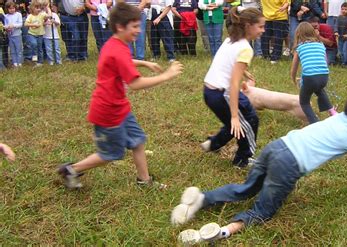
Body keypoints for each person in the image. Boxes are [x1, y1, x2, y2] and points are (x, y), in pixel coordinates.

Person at [170, 92, 347, 245]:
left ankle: (202, 198)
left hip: (277, 146)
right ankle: (221, 232)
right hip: (289, 165)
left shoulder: (340, 120)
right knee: (263, 211)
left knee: (247, 188)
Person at [57, 2, 184, 189]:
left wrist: (143, 63)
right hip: (108, 112)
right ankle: (71, 169)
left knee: (138, 141)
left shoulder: (117, 43)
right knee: (111, 154)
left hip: (120, 107)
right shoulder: (117, 49)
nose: (139, 31)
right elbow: (135, 83)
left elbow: (123, 61)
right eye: (134, 27)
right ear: (120, 27)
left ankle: (144, 181)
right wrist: (166, 75)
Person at [199, 7, 264, 168]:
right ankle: (243, 159)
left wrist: (244, 71)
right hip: (222, 94)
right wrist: (235, 116)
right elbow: (234, 84)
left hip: (210, 91)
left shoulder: (231, 39)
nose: (263, 30)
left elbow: (227, 63)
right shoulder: (246, 48)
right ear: (248, 25)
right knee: (246, 122)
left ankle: (212, 144)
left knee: (238, 120)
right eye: (261, 26)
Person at [290, 22, 337, 124]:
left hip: (310, 78)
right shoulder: (320, 45)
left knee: (304, 102)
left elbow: (294, 67)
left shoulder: (300, 47)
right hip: (324, 76)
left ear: (298, 34)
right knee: (319, 90)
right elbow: (325, 62)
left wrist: (293, 79)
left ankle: (315, 123)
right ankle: (332, 112)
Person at [24, 2, 50, 67]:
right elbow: (26, 24)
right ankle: (34, 56)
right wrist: (33, 25)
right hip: (32, 34)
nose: (38, 9)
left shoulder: (41, 14)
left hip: (40, 34)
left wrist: (48, 8)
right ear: (32, 8)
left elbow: (49, 16)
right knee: (34, 44)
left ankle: (40, 62)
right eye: (37, 8)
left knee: (40, 48)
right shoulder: (30, 16)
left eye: (39, 8)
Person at [5, 1, 23, 68]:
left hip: (17, 35)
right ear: (7, 9)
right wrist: (7, 28)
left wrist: (13, 25)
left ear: (15, 8)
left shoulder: (18, 14)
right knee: (12, 49)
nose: (12, 10)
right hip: (10, 35)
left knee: (18, 49)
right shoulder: (6, 16)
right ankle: (14, 62)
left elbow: (20, 24)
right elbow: (5, 25)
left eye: (13, 8)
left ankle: (19, 62)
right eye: (10, 8)